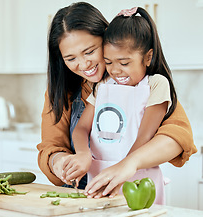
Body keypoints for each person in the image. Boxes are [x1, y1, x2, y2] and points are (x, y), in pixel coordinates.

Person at [37, 2, 197, 198]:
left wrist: (129, 163)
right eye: (71, 58)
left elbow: (178, 137)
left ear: (106, 39)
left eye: (89, 51)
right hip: (79, 195)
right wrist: (61, 162)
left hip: (130, 188)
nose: (84, 63)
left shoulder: (148, 85)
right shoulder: (64, 92)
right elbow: (51, 147)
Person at [69, 7, 175, 204]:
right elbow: (81, 128)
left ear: (148, 57)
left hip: (138, 178)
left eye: (124, 63)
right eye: (108, 62)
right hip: (99, 177)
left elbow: (145, 136)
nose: (115, 70)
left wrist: (122, 170)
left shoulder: (156, 84)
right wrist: (83, 154)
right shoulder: (102, 85)